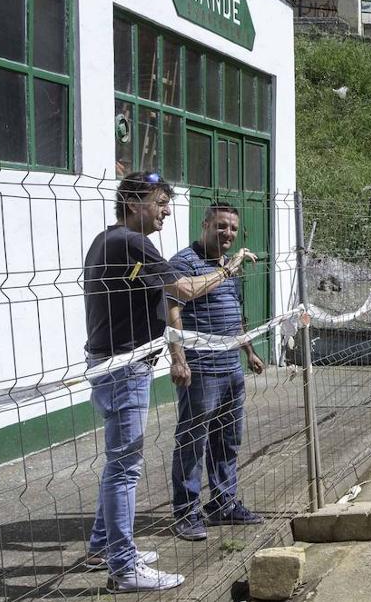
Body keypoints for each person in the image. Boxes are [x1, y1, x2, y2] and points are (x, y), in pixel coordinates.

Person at [82, 172, 254, 593]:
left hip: (118, 364)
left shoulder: (110, 241)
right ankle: (123, 568)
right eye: (159, 202)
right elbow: (181, 290)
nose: (166, 211)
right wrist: (227, 270)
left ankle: (104, 546)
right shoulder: (131, 242)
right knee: (126, 468)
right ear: (135, 202)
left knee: (119, 465)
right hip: (125, 369)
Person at [169, 202, 264, 541]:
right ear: (205, 225)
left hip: (230, 369)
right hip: (201, 370)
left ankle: (223, 503)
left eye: (233, 229)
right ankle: (186, 512)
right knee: (192, 442)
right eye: (221, 226)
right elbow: (173, 310)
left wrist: (249, 352)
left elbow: (234, 313)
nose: (227, 234)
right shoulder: (184, 262)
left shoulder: (227, 264)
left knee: (228, 440)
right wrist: (178, 359)